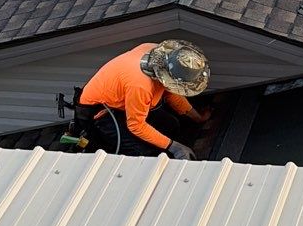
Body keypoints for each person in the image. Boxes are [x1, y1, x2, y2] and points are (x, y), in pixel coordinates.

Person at [76, 39, 212, 158]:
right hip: (101, 112)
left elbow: (172, 93)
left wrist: (197, 118)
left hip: (125, 101)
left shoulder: (157, 53)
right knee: (143, 152)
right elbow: (136, 125)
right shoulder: (141, 86)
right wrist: (175, 147)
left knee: (170, 125)